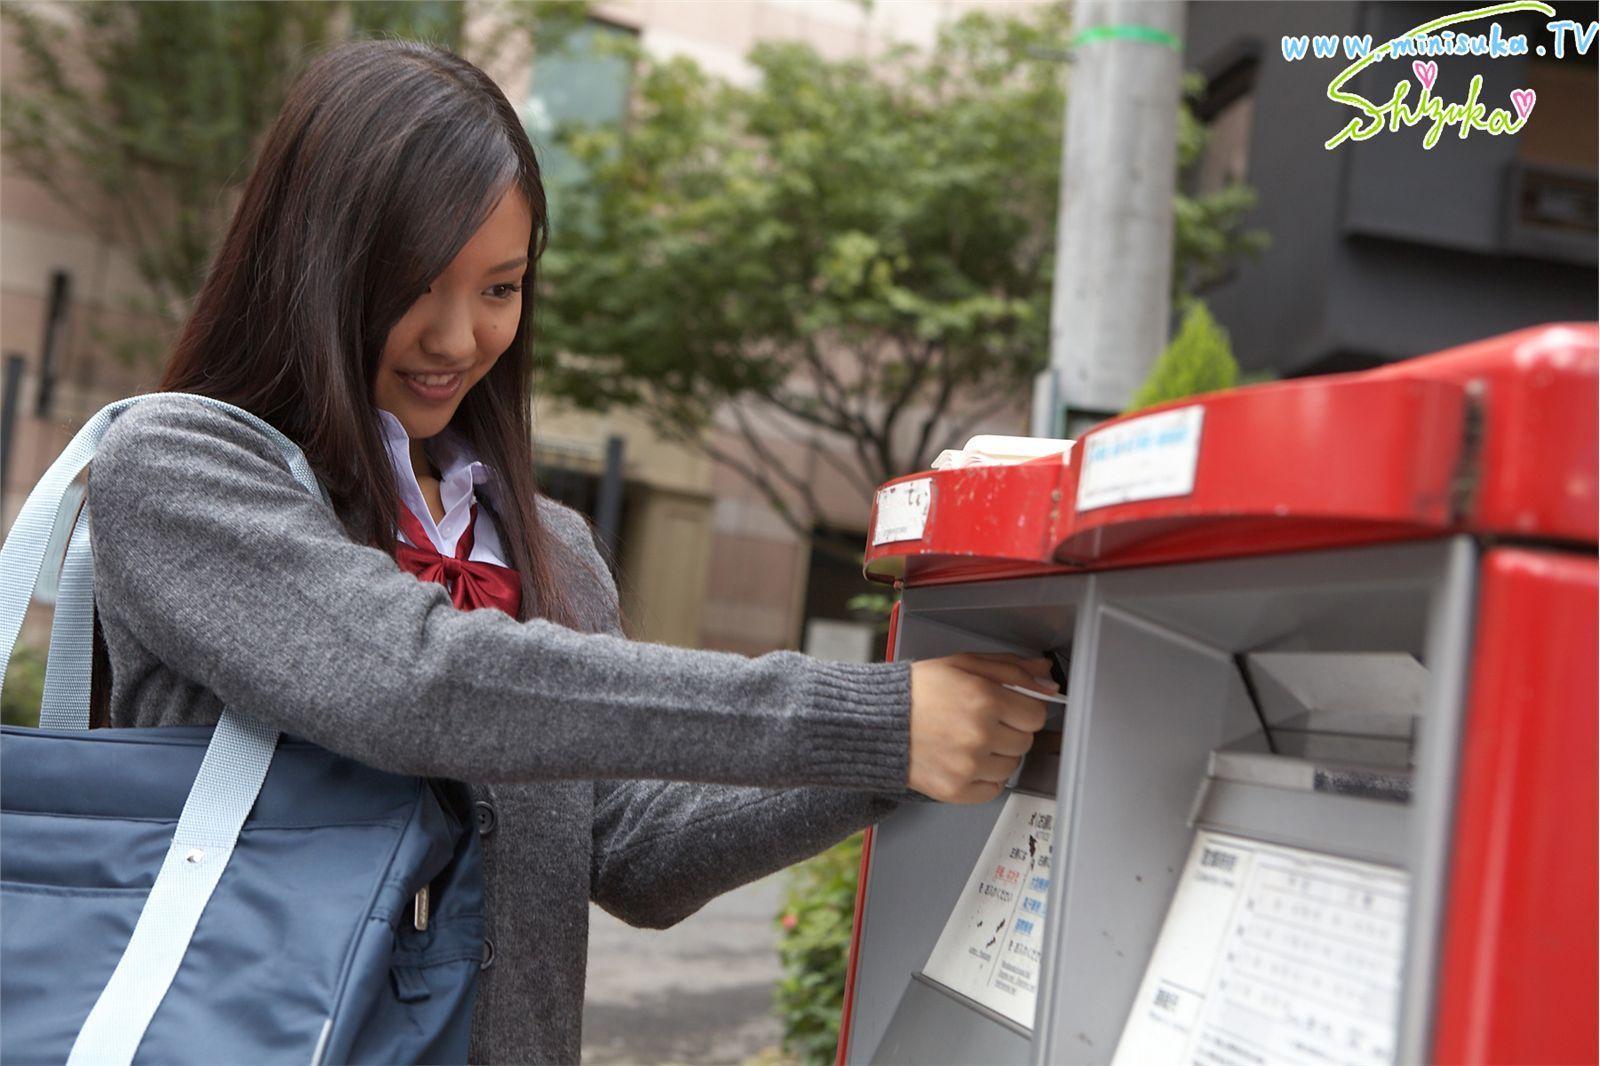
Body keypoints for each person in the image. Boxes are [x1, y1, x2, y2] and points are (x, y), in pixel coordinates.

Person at [84, 38, 1057, 1064]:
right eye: (413, 286)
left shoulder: (549, 545)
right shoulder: (183, 468)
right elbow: (420, 683)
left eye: (500, 288)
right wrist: (869, 720)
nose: (458, 338)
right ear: (314, 263)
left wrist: (902, 754)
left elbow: (635, 852)